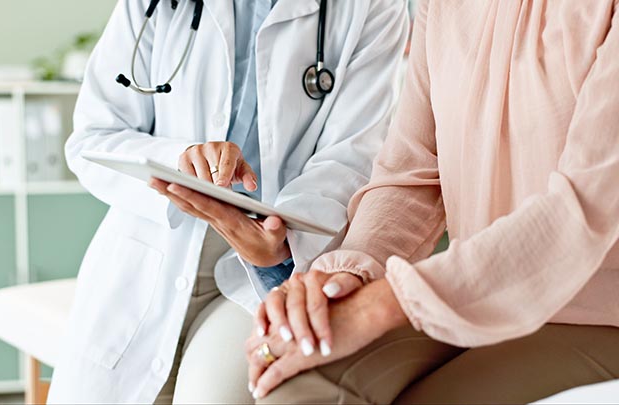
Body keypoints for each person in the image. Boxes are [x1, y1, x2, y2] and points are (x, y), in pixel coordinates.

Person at [245, 1, 619, 403]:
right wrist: (340, 280)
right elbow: (411, 173)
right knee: (298, 387)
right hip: (465, 294)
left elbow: (582, 212)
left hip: (596, 315)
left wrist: (384, 304)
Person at [47, 0, 409, 403]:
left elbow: (352, 155)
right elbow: (92, 138)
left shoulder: (371, 7)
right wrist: (180, 161)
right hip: (153, 250)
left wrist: (280, 242)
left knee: (215, 394)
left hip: (270, 268)